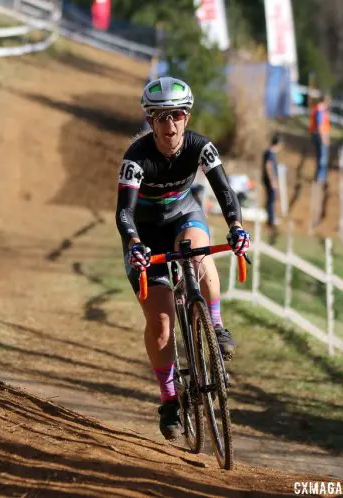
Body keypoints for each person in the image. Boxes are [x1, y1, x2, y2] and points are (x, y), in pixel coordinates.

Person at [115, 76, 250, 441]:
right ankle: (170, 398)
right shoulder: (136, 158)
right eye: (160, 117)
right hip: (144, 233)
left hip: (183, 214)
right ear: (150, 121)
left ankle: (216, 325)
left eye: (176, 115)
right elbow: (124, 212)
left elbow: (224, 190)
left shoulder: (201, 147)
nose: (169, 124)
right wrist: (133, 243)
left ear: (186, 118)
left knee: (197, 253)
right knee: (161, 323)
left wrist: (236, 226)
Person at [308, 95, 330, 184]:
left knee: (320, 157)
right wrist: (324, 138)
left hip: (317, 135)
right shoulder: (320, 111)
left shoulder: (318, 109)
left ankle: (321, 176)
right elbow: (320, 125)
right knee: (322, 157)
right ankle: (320, 177)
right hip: (320, 136)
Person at [262, 134, 282, 227]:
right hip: (270, 181)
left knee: (271, 200)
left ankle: (271, 218)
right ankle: (271, 220)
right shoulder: (270, 153)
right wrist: (273, 181)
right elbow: (268, 166)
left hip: (269, 180)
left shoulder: (268, 153)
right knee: (271, 200)